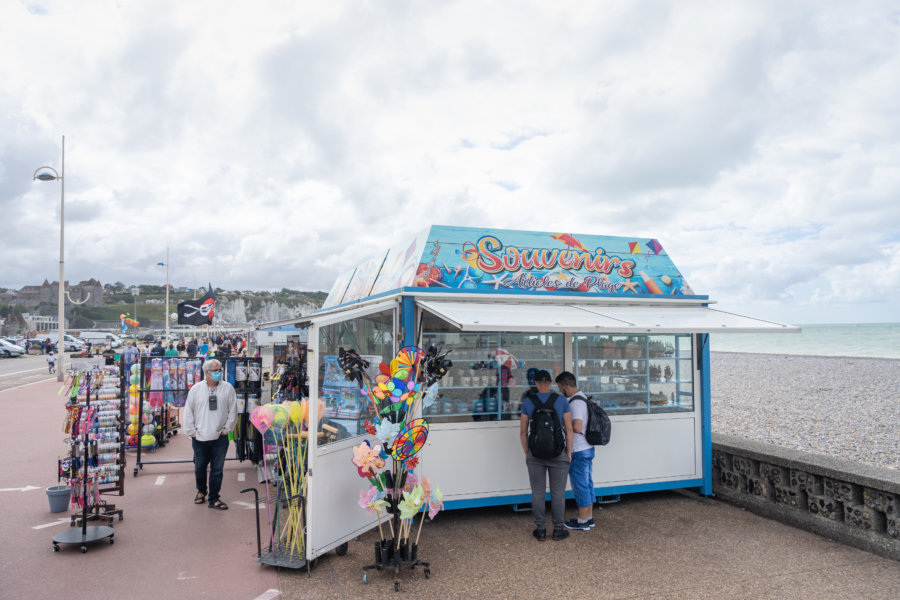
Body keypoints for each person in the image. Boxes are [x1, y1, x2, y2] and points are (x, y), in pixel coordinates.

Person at [520, 369, 573, 541]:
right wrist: (568, 452)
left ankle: (541, 530)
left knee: (538, 492)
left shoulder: (528, 402)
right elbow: (569, 430)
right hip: (558, 453)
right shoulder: (561, 400)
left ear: (535, 383)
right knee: (558, 493)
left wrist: (528, 452)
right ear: (550, 382)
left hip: (535, 455)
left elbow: (522, 432)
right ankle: (558, 530)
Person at [183, 359, 237, 510]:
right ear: (207, 372)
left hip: (220, 437)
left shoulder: (228, 388)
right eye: (216, 370)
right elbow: (188, 411)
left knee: (217, 469)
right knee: (199, 467)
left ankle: (214, 498)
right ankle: (201, 490)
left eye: (220, 369)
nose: (220, 372)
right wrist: (191, 432)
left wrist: (227, 429)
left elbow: (233, 411)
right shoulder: (196, 389)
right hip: (199, 437)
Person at [556, 371, 596, 531]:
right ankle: (589, 517)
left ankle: (582, 521)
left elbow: (577, 427)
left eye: (559, 387)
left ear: (565, 386)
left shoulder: (575, 402)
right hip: (587, 448)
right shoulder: (583, 397)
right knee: (587, 484)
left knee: (580, 486)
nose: (559, 390)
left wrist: (564, 426)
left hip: (578, 450)